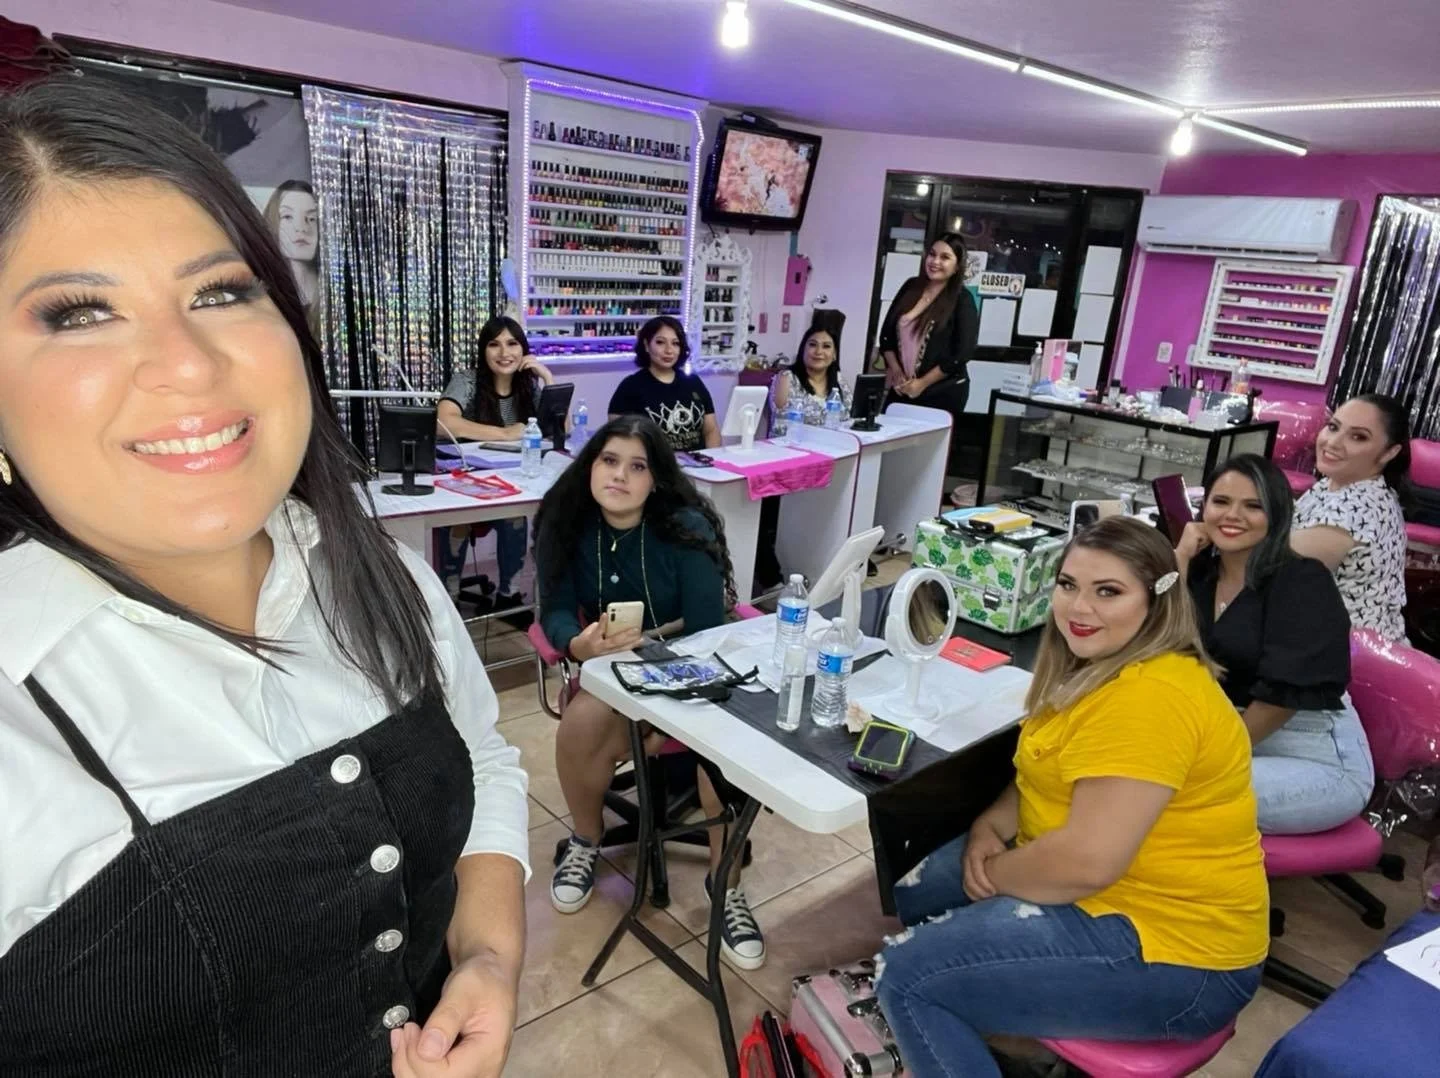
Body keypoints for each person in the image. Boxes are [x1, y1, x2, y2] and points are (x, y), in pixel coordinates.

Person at [0, 80, 529, 1078]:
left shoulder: (389, 584)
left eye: (221, 291)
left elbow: (486, 759)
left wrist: (489, 957)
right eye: (78, 314)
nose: (188, 364)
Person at [875, 518, 1266, 1078]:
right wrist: (989, 827)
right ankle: (998, 1039)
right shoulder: (1097, 668)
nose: (1079, 608)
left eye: (1108, 591)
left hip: (1181, 955)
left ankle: (969, 1023)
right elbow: (1045, 769)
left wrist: (997, 875)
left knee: (906, 975)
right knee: (916, 892)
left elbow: (1086, 863)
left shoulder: (1149, 698)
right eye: (1068, 585)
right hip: (1116, 893)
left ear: (1157, 601)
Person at [534, 416, 766, 970]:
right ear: (591, 464)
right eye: (610, 460)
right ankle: (586, 841)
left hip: (690, 672)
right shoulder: (566, 523)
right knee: (583, 723)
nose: (620, 475)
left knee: (728, 749)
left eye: (638, 466)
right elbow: (558, 611)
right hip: (611, 677)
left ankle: (725, 884)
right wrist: (579, 645)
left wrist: (667, 719)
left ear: (656, 479)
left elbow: (710, 632)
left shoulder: (686, 528)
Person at [1176, 454, 1373, 835]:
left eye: (1253, 506)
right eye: (1221, 502)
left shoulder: (1302, 581)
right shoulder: (1202, 573)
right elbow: (1157, 636)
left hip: (1318, 758)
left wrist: (1209, 759)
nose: (1233, 515)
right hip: (1234, 730)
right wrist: (1181, 556)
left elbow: (1280, 699)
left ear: (1277, 514)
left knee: (1163, 796)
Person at [438, 316, 556, 607]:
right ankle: (449, 598)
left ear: (523, 349)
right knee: (459, 518)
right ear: (483, 350)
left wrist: (548, 378)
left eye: (512, 344)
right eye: (494, 344)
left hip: (513, 479)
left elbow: (557, 426)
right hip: (467, 479)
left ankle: (509, 596)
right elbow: (443, 422)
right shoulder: (467, 381)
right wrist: (505, 433)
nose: (504, 353)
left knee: (515, 514)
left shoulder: (529, 387)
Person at [1291, 393, 1410, 641]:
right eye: (1333, 427)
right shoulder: (1339, 483)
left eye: (1358, 437)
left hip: (1347, 658)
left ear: (1390, 452)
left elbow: (1266, 570)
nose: (1333, 442)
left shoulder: (1355, 508)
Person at [876, 231, 978, 415]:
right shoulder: (911, 287)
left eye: (945, 257)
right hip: (902, 388)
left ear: (956, 267)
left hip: (941, 391)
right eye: (932, 254)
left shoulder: (962, 299)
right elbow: (886, 336)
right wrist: (897, 372)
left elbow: (962, 353)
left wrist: (922, 384)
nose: (935, 261)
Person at [608, 315, 720, 451]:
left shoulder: (693, 382)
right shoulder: (631, 386)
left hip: (698, 466)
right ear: (646, 345)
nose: (669, 350)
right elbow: (618, 440)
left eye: (675, 343)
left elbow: (711, 430)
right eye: (660, 342)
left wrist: (712, 462)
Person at [770, 322, 852, 430]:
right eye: (813, 345)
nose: (818, 352)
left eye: (826, 346)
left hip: (834, 443)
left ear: (834, 355)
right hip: (793, 444)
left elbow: (850, 419)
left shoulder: (839, 381)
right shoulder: (786, 378)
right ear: (803, 349)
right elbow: (780, 424)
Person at [262, 178, 320, 311]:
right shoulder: (263, 295)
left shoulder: (339, 296)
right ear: (272, 223)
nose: (301, 228)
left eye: (312, 218)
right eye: (288, 217)